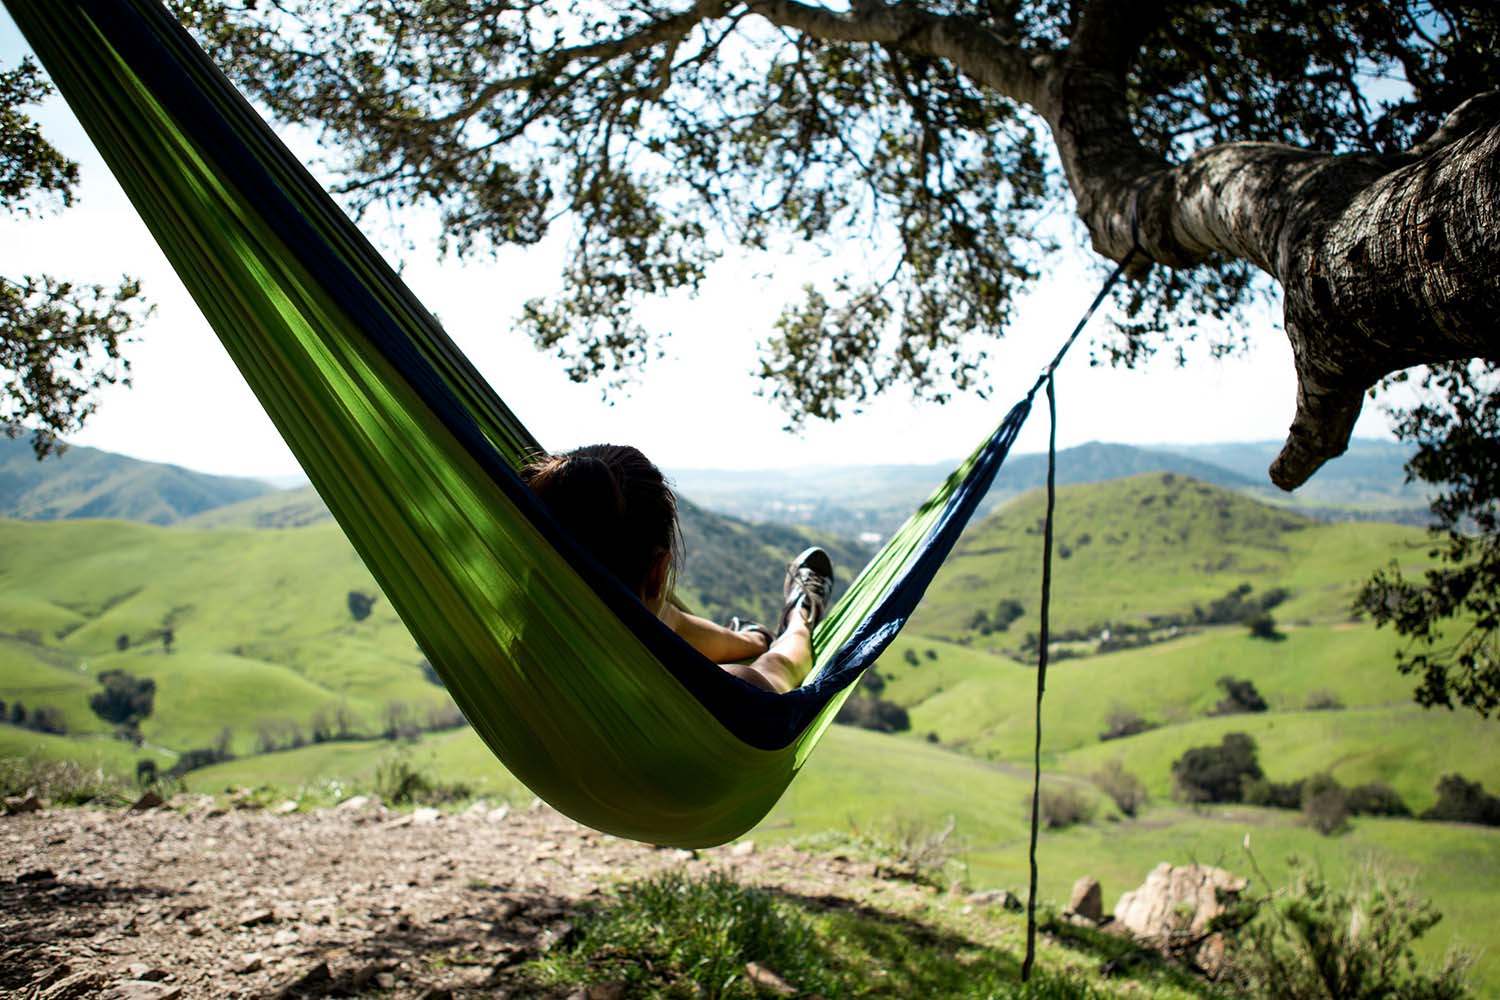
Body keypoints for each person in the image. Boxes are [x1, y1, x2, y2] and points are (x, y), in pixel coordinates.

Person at [521, 444, 834, 694]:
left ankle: (753, 638)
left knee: (650, 617)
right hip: (689, 704)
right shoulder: (729, 692)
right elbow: (786, 665)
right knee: (646, 618)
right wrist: (796, 627)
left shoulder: (510, 658)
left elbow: (662, 618)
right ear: (659, 569)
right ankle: (800, 613)